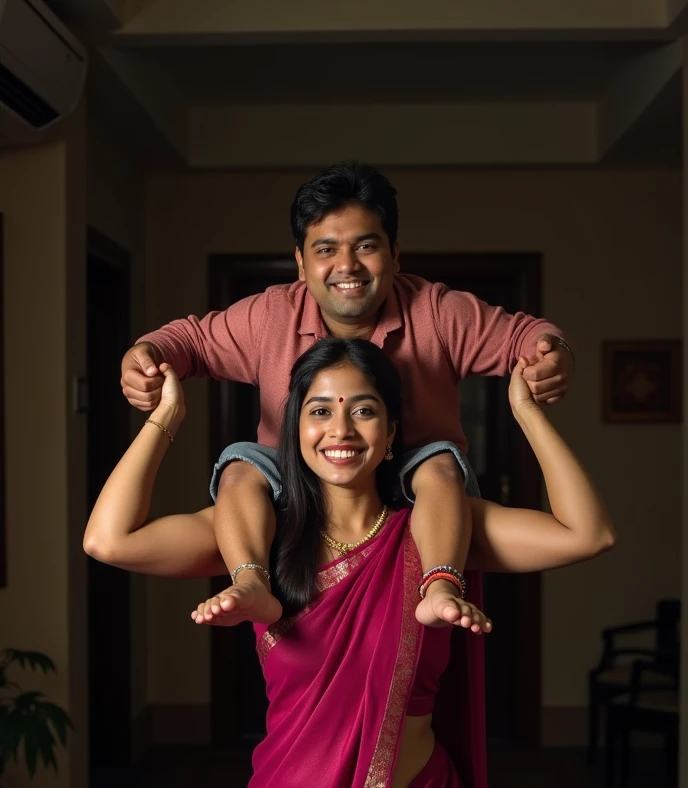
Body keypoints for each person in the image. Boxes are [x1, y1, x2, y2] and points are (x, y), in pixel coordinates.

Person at [86, 340, 613, 788]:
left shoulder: (434, 535)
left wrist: (527, 413)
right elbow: (108, 540)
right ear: (295, 428)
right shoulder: (259, 540)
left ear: (393, 432)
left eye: (363, 411)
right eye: (320, 410)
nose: (340, 429)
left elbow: (587, 532)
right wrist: (163, 420)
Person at [119, 162, 575, 632]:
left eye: (366, 246)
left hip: (416, 493)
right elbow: (187, 341)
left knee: (439, 463)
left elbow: (530, 335)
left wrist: (551, 356)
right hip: (300, 490)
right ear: (300, 261)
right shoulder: (269, 315)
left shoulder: (439, 312)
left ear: (395, 254)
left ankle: (440, 584)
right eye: (326, 249)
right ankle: (250, 579)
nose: (347, 266)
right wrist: (145, 356)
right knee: (239, 463)